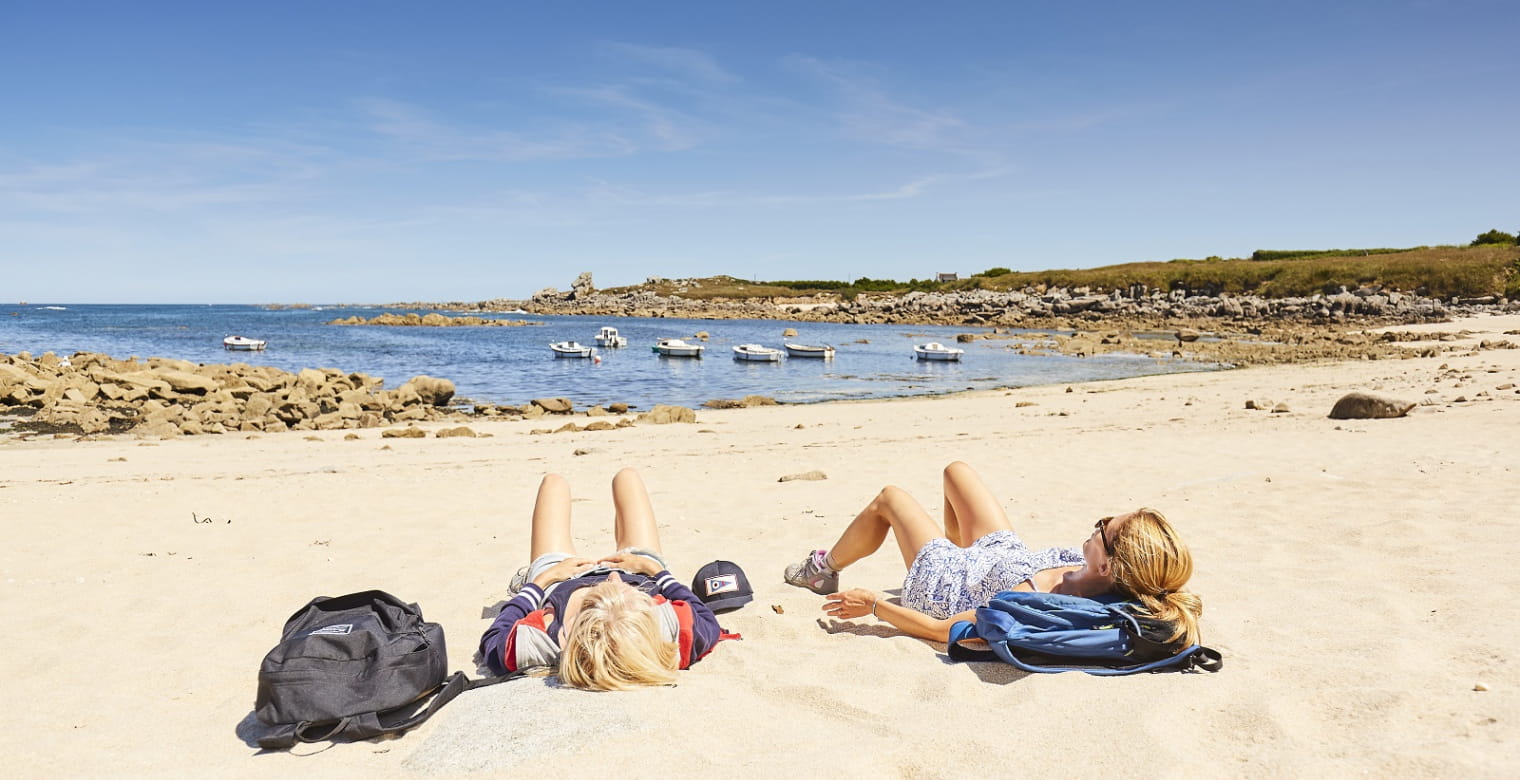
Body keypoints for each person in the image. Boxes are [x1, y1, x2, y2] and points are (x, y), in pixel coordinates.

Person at [783, 461, 1201, 645]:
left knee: (891, 498)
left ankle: (823, 570)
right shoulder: (1104, 574)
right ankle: (950, 542)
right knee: (956, 472)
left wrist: (875, 604)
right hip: (999, 553)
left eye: (1102, 526)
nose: (1097, 522)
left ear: (1108, 564)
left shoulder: (1037, 605)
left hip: (945, 580)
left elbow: (941, 630)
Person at [480, 468, 724, 690]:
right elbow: (705, 617)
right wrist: (657, 573)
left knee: (553, 484)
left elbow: (494, 639)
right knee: (626, 478)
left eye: (594, 594)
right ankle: (632, 577)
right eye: (629, 592)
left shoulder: (543, 643)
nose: (613, 577)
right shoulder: (672, 632)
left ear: (572, 628)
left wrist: (538, 583)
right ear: (649, 616)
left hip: (560, 580)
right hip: (640, 573)